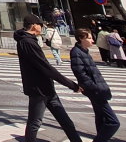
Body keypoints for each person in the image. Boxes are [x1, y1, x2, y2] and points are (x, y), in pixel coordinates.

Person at [15, 13, 83, 142]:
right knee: (35, 123)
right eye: (40, 25)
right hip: (39, 89)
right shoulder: (27, 42)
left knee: (66, 122)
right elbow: (45, 68)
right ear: (34, 26)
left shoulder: (29, 40)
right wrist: (71, 85)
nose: (42, 27)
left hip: (47, 88)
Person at [71, 28, 121, 142]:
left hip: (97, 89)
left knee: (101, 118)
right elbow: (80, 73)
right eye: (89, 38)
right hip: (95, 91)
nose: (92, 40)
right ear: (81, 39)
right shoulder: (76, 52)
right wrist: (94, 87)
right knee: (113, 122)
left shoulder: (84, 51)